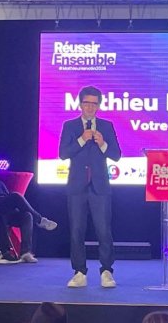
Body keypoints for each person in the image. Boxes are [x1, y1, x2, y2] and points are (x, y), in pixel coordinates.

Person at [59, 85, 122, 288]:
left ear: (99, 106)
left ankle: (107, 271)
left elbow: (116, 155)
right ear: (80, 104)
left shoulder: (106, 126)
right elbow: (63, 153)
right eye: (86, 103)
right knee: (76, 230)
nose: (90, 107)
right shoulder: (70, 126)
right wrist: (81, 139)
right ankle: (79, 272)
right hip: (76, 186)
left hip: (100, 186)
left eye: (94, 104)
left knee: (104, 230)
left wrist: (103, 143)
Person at [0, 156, 57, 263]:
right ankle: (40, 220)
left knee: (27, 216)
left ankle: (26, 253)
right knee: (16, 196)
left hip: (6, 211)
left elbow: (7, 197)